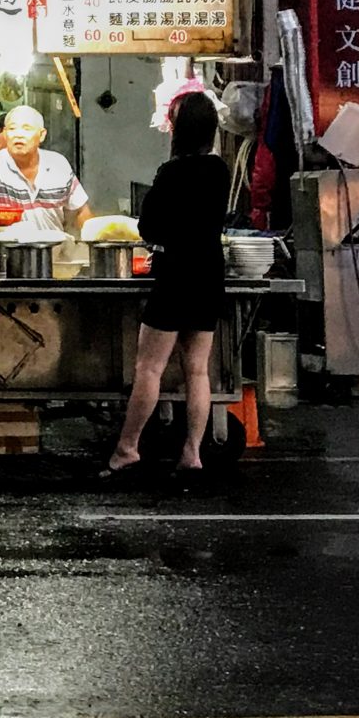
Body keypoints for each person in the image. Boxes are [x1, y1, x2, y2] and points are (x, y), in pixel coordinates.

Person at [104, 94, 232, 479]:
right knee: (197, 370)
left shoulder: (171, 173)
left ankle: (127, 449)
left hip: (176, 272)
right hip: (210, 271)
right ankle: (192, 453)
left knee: (149, 367)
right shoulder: (220, 170)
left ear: (178, 130)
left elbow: (149, 227)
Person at [0, 105, 89, 233]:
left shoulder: (58, 164)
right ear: (4, 134)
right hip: (9, 250)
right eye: (12, 128)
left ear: (42, 135)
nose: (18, 135)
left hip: (53, 249)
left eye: (26, 129)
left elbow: (80, 211)